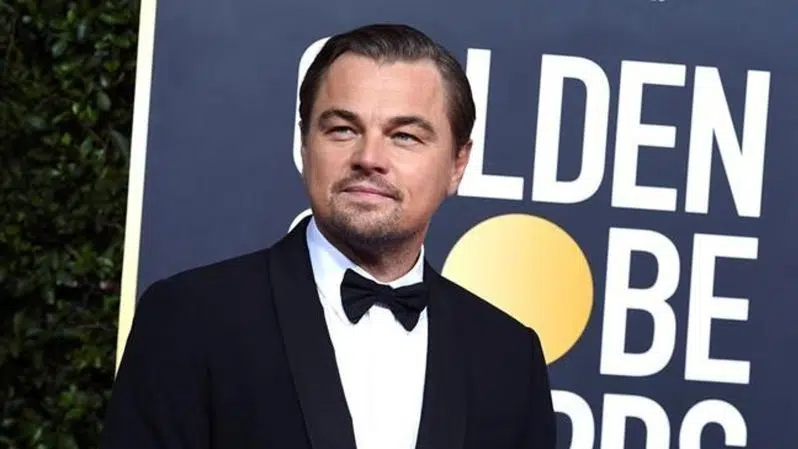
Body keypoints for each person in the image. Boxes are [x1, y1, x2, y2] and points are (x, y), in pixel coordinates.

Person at [100, 23, 556, 449]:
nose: (369, 157)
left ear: (457, 164)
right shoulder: (190, 318)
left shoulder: (509, 357)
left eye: (404, 136)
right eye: (342, 130)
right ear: (304, 145)